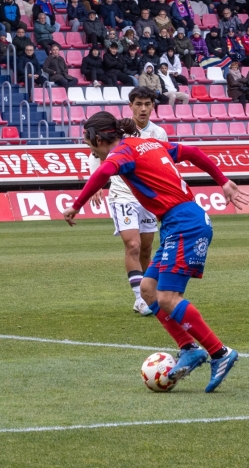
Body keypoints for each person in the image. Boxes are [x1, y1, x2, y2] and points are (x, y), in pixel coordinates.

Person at [63, 111, 248, 393]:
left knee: (168, 297)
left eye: (88, 141)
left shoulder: (123, 153)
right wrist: (222, 180)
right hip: (179, 222)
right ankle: (189, 349)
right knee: (149, 290)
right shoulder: (146, 143)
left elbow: (103, 173)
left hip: (184, 224)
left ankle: (219, 353)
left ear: (99, 138)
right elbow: (193, 152)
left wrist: (77, 204)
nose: (88, 146)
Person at [87, 87, 164, 316]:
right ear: (130, 106)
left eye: (147, 104)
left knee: (147, 248)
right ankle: (141, 299)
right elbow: (95, 153)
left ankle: (146, 293)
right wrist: (97, 183)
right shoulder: (117, 131)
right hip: (122, 194)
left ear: (152, 106)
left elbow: (163, 164)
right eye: (138, 104)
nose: (143, 108)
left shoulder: (159, 133)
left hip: (148, 196)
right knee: (133, 245)